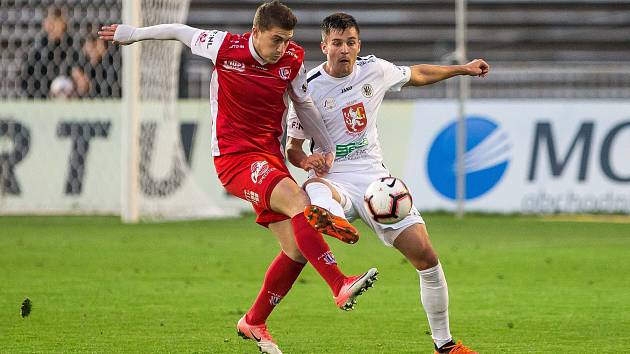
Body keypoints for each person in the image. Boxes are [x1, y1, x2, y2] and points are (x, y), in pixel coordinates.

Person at [98, 2, 377, 353]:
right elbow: (180, 32)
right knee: (299, 204)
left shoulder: (291, 59)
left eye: (287, 40)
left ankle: (254, 321)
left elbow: (304, 105)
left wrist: (325, 146)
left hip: (270, 158)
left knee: (296, 249)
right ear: (255, 32)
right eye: (276, 40)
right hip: (234, 159)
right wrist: (134, 34)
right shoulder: (224, 46)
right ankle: (338, 284)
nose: (282, 48)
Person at [286, 13, 489, 354]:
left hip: (375, 181)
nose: (345, 49)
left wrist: (462, 69)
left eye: (351, 42)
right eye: (337, 43)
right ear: (324, 47)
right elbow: (293, 148)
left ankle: (445, 345)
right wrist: (306, 161)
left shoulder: (374, 69)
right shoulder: (308, 88)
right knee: (314, 188)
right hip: (332, 175)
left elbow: (417, 74)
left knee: (427, 257)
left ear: (358, 45)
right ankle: (329, 216)